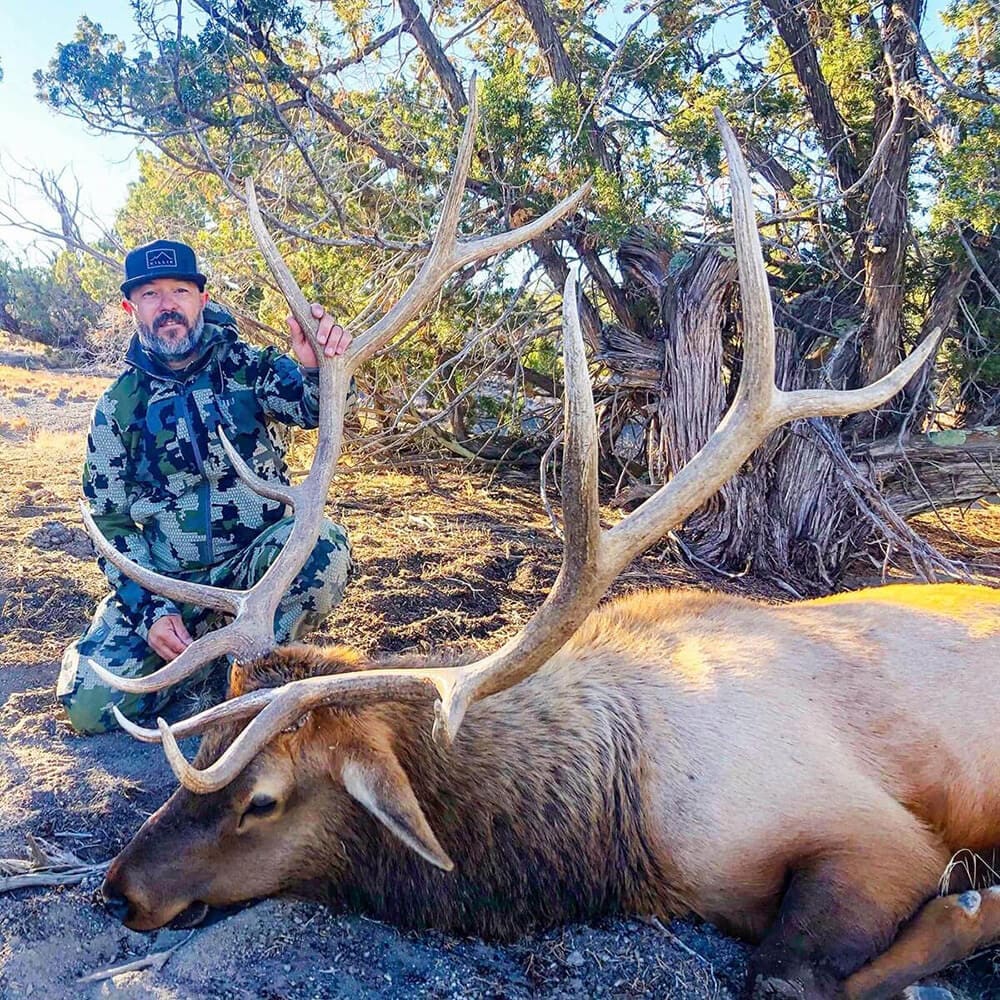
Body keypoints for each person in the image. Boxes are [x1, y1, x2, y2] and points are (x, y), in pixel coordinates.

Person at [57, 239, 355, 734]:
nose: (167, 304)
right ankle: (203, 654)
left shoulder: (249, 366)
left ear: (202, 297)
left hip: (256, 575)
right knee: (88, 705)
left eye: (179, 290)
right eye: (151, 294)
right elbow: (108, 523)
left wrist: (317, 367)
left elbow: (313, 409)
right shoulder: (118, 407)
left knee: (323, 549)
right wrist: (151, 610)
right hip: (171, 588)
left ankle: (249, 667)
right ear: (132, 308)